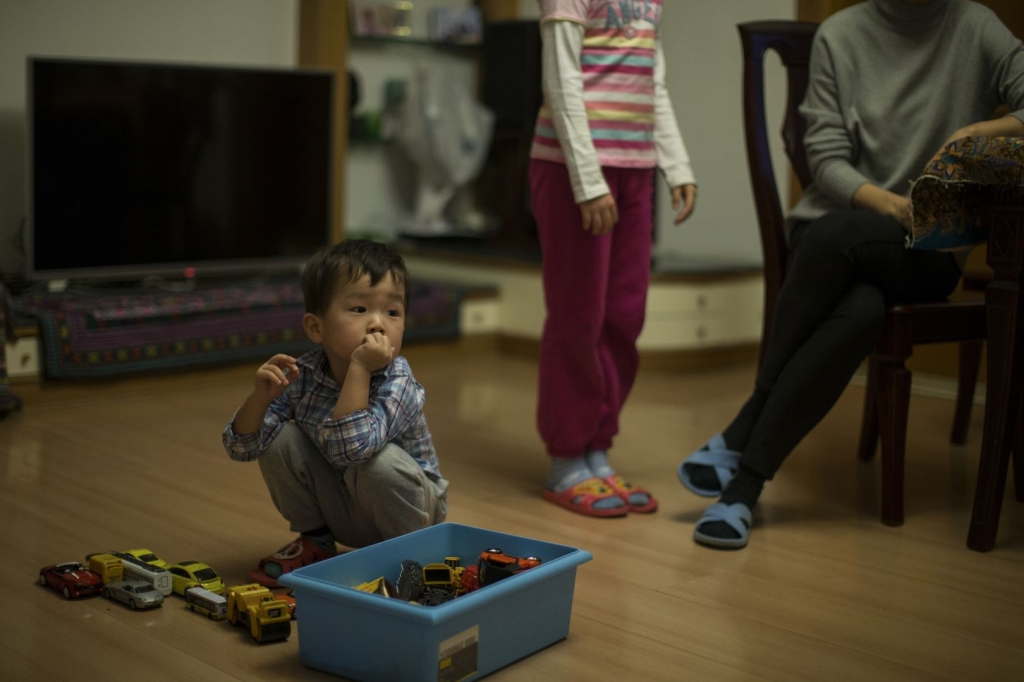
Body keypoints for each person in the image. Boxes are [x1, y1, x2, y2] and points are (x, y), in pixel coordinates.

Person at [677, 0, 1024, 549]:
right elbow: (826, 155)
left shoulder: (974, 25)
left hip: (928, 250)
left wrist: (982, 130)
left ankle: (745, 427)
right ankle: (742, 490)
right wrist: (889, 204)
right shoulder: (841, 34)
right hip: (840, 229)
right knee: (858, 304)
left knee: (835, 238)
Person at [530, 0, 697, 517]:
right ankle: (565, 459)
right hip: (576, 171)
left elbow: (653, 83)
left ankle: (596, 449)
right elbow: (561, 81)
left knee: (624, 315)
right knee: (577, 317)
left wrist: (676, 163)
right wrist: (587, 181)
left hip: (635, 169)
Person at [222, 240, 448, 585]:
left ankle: (409, 559)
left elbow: (354, 451)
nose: (378, 325)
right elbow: (242, 449)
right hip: (346, 507)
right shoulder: (304, 375)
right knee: (279, 438)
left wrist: (359, 367)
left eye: (392, 312)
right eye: (359, 309)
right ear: (316, 328)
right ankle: (317, 543)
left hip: (413, 518)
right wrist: (260, 398)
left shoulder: (398, 380)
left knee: (378, 463)